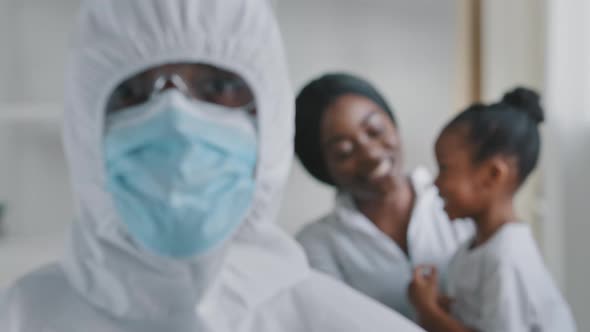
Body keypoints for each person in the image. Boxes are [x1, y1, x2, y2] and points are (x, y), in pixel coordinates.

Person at [0, 1, 424, 331]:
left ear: (270, 120)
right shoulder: (21, 317)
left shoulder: (334, 321)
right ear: (84, 123)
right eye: (131, 92)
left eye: (218, 87)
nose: (175, 120)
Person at [295, 73, 473, 320]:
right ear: (322, 166)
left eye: (375, 130)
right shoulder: (316, 245)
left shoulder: (463, 202)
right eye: (344, 152)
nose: (370, 154)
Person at [408, 87, 576, 332]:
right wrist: (440, 306)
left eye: (444, 169)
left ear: (492, 175)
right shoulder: (471, 252)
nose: (435, 183)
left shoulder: (506, 258)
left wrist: (428, 311)